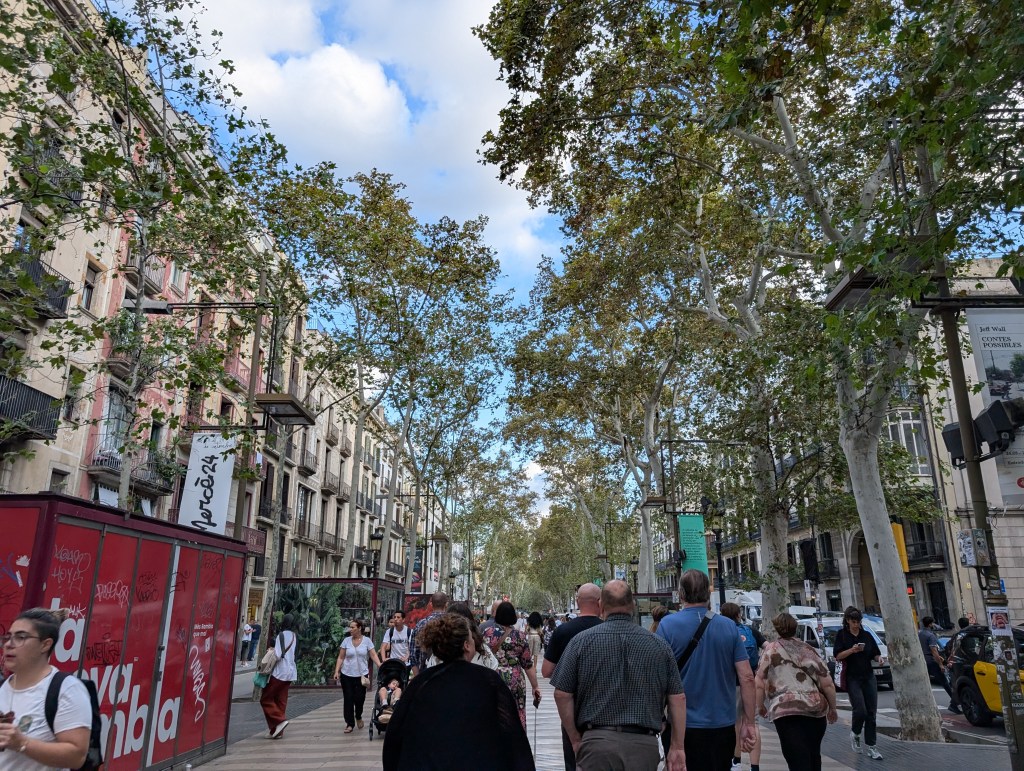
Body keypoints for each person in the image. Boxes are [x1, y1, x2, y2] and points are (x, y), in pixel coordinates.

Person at [550, 581, 687, 771]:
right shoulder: (659, 645)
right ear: (632, 605)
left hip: (596, 745)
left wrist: (574, 738)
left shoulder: (580, 642)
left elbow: (562, 694)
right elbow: (678, 698)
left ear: (601, 605)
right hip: (643, 746)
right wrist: (677, 747)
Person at [381, 613, 534, 771]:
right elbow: (512, 732)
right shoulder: (489, 680)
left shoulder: (421, 682)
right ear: (467, 645)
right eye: (472, 638)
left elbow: (395, 733)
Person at [657, 570, 756, 771]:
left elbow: (657, 677)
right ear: (708, 593)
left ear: (681, 594)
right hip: (722, 725)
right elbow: (747, 677)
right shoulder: (729, 627)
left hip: (681, 726)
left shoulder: (667, 625)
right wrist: (749, 722)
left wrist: (659, 718)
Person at [0, 608, 91, 768]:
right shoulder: (2, 687)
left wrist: (22, 743)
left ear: (45, 645)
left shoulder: (66, 689)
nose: (8, 644)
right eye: (8, 637)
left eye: (20, 637)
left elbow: (77, 757)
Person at [754, 613, 839, 771]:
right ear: (795, 628)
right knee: (814, 755)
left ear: (777, 629)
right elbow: (827, 683)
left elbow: (759, 682)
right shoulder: (808, 650)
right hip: (814, 710)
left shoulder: (770, 650)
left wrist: (760, 706)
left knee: (796, 759)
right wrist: (833, 708)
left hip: (785, 711)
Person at [542, 583, 603, 771]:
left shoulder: (563, 631)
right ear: (600, 602)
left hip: (573, 707)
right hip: (606, 706)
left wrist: (568, 675)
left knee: (573, 758)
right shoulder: (607, 629)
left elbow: (546, 671)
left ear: (577, 602)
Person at [482, 601, 542, 730]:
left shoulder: (487, 633)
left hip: (492, 677)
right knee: (517, 712)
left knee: (493, 711)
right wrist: (535, 686)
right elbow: (527, 665)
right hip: (515, 680)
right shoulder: (520, 636)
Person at [833, 607, 883, 760]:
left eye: (858, 622)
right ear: (848, 621)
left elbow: (875, 653)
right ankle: (855, 733)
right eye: (854, 622)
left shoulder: (866, 635)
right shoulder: (842, 635)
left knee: (871, 712)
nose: (856, 625)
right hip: (852, 677)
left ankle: (872, 747)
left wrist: (879, 659)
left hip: (868, 676)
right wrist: (851, 650)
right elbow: (838, 656)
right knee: (860, 709)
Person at [720, 602, 763, 771]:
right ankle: (755, 766)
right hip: (751, 683)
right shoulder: (751, 631)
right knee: (753, 724)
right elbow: (767, 647)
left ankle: (736, 761)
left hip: (731, 685)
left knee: (736, 723)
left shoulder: (722, 632)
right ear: (739, 614)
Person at [332, 619, 382, 733]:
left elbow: (373, 654)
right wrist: (336, 671)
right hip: (347, 674)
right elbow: (341, 657)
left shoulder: (367, 641)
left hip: (361, 675)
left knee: (360, 698)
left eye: (353, 627)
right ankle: (350, 723)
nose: (350, 629)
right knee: (348, 699)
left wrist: (379, 665)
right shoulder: (346, 641)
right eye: (350, 627)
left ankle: (358, 716)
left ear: (359, 628)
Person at [260, 613, 298, 739]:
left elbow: (277, 654)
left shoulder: (281, 635)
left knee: (266, 699)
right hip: (290, 672)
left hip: (280, 672)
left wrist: (270, 650)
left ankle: (280, 721)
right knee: (281, 701)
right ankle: (277, 732)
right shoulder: (294, 635)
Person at [919, 616, 957, 713]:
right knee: (945, 683)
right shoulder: (930, 635)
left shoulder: (920, 634)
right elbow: (934, 651)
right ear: (930, 624)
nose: (934, 625)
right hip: (931, 661)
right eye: (933, 623)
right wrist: (940, 664)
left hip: (922, 660)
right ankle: (954, 704)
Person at [410, 592, 449, 675]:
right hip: (448, 672)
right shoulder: (452, 624)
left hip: (426, 673)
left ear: (431, 604)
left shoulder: (420, 624)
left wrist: (418, 677)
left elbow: (413, 655)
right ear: (446, 604)